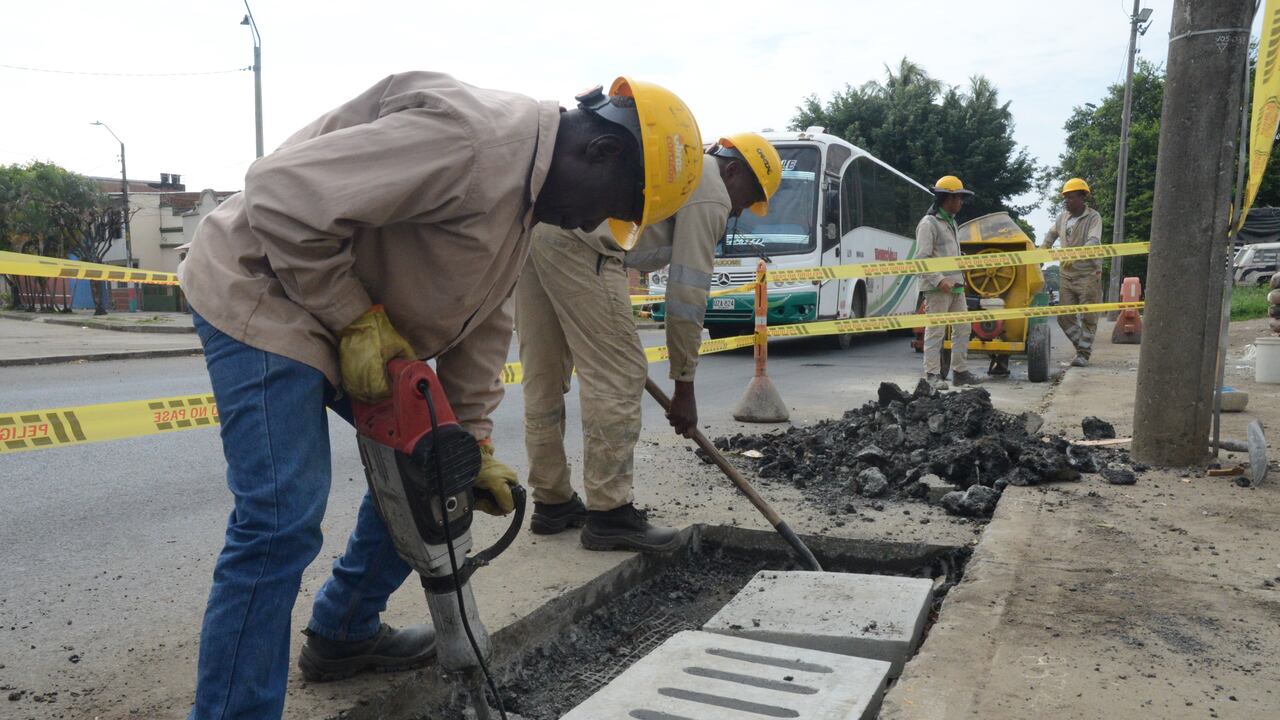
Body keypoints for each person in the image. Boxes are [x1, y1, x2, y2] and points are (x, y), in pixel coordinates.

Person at [179, 72, 702, 720]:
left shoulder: (526, 201)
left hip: (352, 322)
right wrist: (355, 319)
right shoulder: (471, 142)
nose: (597, 222)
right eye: (612, 205)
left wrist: (472, 440)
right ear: (600, 151)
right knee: (281, 518)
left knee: (434, 474)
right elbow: (281, 197)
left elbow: (483, 327)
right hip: (264, 290)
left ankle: (344, 632)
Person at [516, 134, 781, 552]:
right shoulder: (711, 191)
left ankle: (553, 502)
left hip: (540, 232)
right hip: (586, 245)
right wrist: (684, 386)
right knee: (619, 375)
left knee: (543, 375)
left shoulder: (680, 167)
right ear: (733, 170)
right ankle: (609, 514)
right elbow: (687, 297)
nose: (740, 211)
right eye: (748, 200)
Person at [917, 175, 982, 387]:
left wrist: (961, 276)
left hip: (955, 286)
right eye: (959, 198)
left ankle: (960, 371)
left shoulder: (952, 222)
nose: (961, 202)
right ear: (948, 199)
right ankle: (932, 375)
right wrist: (938, 280)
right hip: (938, 288)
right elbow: (921, 258)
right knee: (935, 331)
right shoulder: (929, 223)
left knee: (963, 328)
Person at [1042, 178, 1104, 367]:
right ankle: (1081, 346)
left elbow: (1093, 240)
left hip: (1088, 274)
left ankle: (1083, 354)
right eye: (1065, 198)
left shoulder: (1093, 217)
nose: (1067, 201)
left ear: (1082, 197)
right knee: (1064, 316)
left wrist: (1076, 255)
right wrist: (1041, 253)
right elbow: (1051, 235)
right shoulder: (1062, 217)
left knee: (1088, 316)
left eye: (1070, 197)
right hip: (1066, 275)